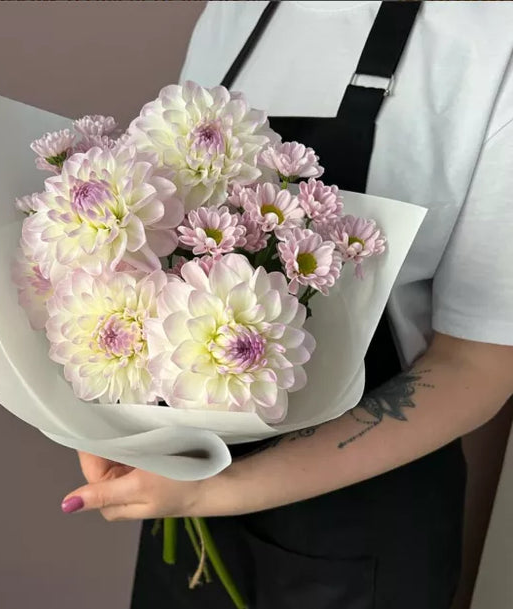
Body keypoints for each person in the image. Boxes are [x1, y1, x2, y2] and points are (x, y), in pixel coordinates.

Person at [59, 2, 513, 608]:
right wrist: (108, 413)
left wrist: (215, 491)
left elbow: (480, 364)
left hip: (359, 529)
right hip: (181, 493)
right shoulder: (234, 11)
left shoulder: (490, 39)